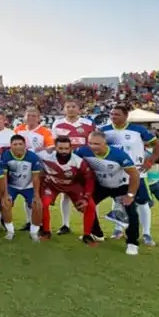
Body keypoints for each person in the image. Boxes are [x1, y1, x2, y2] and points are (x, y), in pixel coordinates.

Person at [101, 104, 159, 246]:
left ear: (126, 116)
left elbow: (157, 145)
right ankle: (118, 229)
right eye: (111, 114)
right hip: (115, 173)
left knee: (142, 202)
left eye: (117, 114)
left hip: (137, 172)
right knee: (118, 201)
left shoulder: (138, 130)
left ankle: (147, 233)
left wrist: (151, 160)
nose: (113, 117)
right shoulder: (104, 131)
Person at [76, 131, 143, 256]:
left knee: (131, 212)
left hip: (121, 186)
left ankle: (132, 243)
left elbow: (134, 175)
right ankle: (97, 234)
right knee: (86, 205)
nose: (93, 146)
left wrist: (130, 195)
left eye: (97, 144)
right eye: (90, 143)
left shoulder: (119, 155)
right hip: (101, 186)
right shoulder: (83, 151)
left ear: (105, 143)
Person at [37, 136, 98, 244]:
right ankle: (46, 231)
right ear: (55, 148)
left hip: (73, 186)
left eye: (66, 148)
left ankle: (87, 235)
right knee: (43, 203)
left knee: (90, 205)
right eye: (60, 148)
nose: (64, 151)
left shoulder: (78, 161)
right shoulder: (44, 156)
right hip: (52, 185)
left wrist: (86, 197)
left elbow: (89, 180)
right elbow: (27, 152)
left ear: (71, 148)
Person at [51, 99, 97, 235]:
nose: (71, 109)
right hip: (66, 164)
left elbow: (94, 143)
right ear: (64, 109)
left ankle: (94, 226)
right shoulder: (57, 124)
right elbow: (55, 145)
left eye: (73, 106)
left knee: (91, 195)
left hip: (85, 164)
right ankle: (65, 224)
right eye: (68, 106)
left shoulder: (88, 124)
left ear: (79, 109)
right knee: (65, 194)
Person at [0, 134, 42, 241]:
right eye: (15, 144)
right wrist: (5, 194)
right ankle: (10, 231)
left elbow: (36, 177)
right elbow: (4, 176)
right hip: (12, 186)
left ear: (25, 145)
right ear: (10, 146)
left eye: (20, 144)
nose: (17, 146)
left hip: (28, 186)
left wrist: (36, 195)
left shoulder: (33, 157)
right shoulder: (6, 155)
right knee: (6, 203)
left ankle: (34, 232)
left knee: (37, 205)